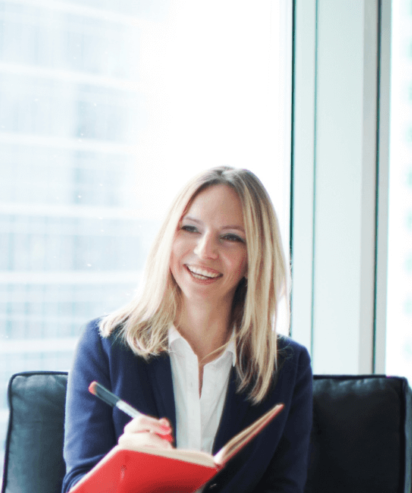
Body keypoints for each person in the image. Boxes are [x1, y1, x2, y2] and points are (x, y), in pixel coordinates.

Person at [62, 167, 313, 493]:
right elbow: (76, 486)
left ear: (254, 258)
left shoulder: (287, 365)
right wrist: (125, 466)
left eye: (231, 237)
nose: (205, 251)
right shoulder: (104, 345)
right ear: (169, 238)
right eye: (190, 229)